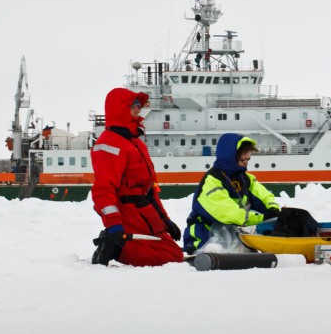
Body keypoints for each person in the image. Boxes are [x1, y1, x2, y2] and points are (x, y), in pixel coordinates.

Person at [90, 87, 184, 267]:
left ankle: (120, 247)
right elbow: (104, 190)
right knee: (172, 257)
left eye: (138, 106)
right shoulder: (108, 143)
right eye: (133, 106)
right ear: (120, 108)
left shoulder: (136, 143)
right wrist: (114, 225)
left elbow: (151, 189)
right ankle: (116, 248)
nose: (138, 110)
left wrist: (164, 219)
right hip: (128, 213)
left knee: (173, 253)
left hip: (145, 212)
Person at [182, 133, 281, 255]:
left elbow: (263, 195)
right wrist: (262, 218)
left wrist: (273, 209)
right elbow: (228, 213)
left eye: (248, 159)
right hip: (204, 237)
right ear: (230, 157)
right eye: (242, 160)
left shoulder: (245, 178)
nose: (246, 163)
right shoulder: (212, 181)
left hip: (231, 235)